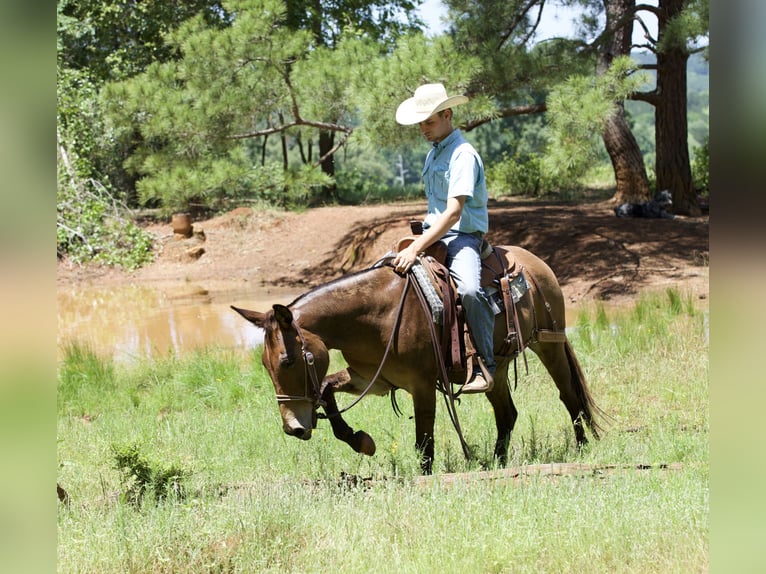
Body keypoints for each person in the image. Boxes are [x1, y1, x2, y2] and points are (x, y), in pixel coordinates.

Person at [392, 83, 496, 394]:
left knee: (469, 289)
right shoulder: (434, 154)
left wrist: (416, 248)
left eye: (429, 122)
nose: (423, 129)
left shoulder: (462, 154)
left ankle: (485, 364)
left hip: (462, 236)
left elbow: (452, 213)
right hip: (431, 236)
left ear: (447, 114)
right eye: (420, 123)